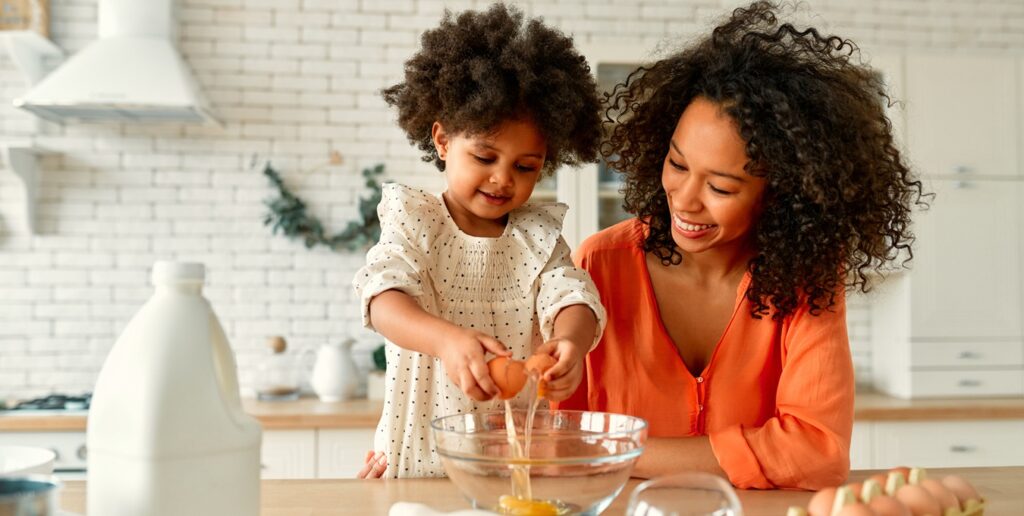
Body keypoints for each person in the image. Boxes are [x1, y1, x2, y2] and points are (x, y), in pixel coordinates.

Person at [555, 1, 925, 491]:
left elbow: (818, 454)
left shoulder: (805, 281)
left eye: (722, 188)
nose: (684, 201)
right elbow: (559, 438)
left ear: (781, 192)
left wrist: (623, 448)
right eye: (678, 164)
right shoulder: (601, 262)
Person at [352, 3, 607, 479]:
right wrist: (447, 342)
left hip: (513, 461)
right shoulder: (415, 221)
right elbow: (381, 298)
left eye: (525, 166)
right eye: (485, 156)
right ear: (443, 141)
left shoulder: (537, 235)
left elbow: (572, 297)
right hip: (416, 455)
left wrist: (569, 342)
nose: (502, 179)